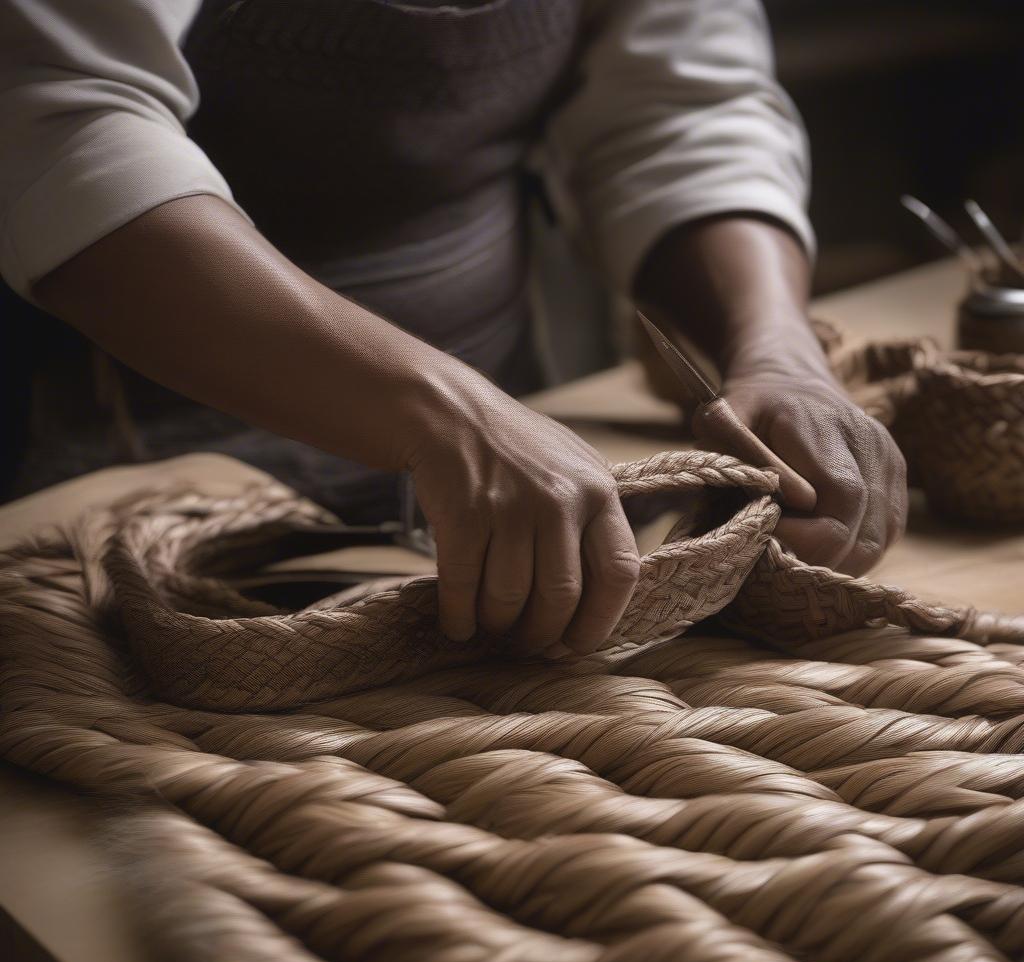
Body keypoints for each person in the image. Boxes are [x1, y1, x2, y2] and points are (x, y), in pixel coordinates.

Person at [0, 0, 907, 659]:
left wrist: (778, 351)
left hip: (511, 440)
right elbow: (61, 124)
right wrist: (439, 412)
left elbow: (681, 109)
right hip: (101, 469)